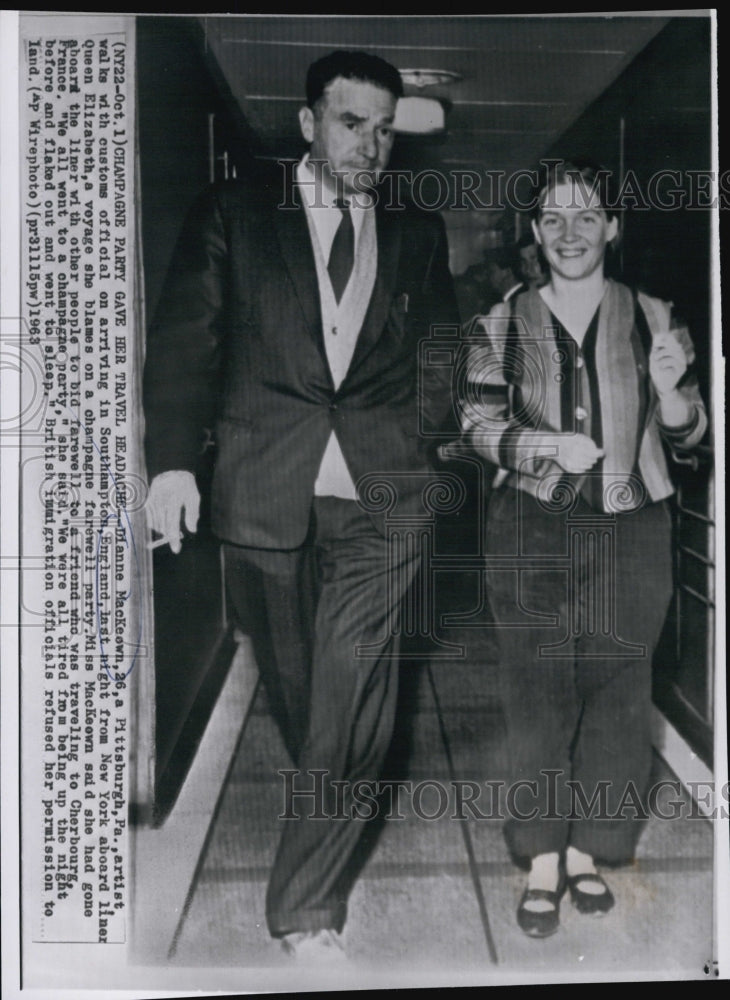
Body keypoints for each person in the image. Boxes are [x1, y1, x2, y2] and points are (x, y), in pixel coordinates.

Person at [142, 50, 459, 960]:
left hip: (385, 494)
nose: (371, 142)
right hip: (266, 490)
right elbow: (185, 343)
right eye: (353, 121)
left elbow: (438, 348)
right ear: (308, 123)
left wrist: (435, 449)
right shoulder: (235, 212)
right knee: (308, 698)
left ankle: (303, 907)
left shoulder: (414, 228)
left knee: (351, 692)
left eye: (385, 127)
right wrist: (173, 465)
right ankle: (324, 798)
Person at [460, 159, 707, 938]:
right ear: (535, 234)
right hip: (530, 526)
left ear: (613, 226)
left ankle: (588, 855)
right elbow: (473, 428)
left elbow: (693, 443)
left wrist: (673, 397)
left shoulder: (659, 317)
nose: (571, 233)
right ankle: (539, 856)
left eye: (587, 216)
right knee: (536, 694)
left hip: (633, 524)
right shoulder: (498, 323)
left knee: (617, 691)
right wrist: (540, 445)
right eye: (554, 220)